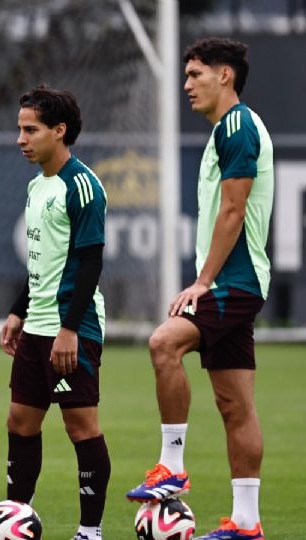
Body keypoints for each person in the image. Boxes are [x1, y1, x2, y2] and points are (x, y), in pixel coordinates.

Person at [126, 38, 272, 540]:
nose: (186, 85)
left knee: (164, 343)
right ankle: (247, 524)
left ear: (224, 76)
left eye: (195, 74)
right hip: (236, 280)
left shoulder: (238, 127)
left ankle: (171, 467)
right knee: (235, 404)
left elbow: (234, 211)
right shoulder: (222, 133)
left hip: (235, 280)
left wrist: (203, 282)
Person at [0, 85, 110, 540]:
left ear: (59, 131)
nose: (21, 139)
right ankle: (15, 521)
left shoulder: (82, 185)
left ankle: (90, 531)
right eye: (20, 129)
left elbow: (89, 261)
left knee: (79, 424)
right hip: (38, 327)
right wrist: (17, 311)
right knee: (20, 421)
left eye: (31, 130)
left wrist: (69, 330)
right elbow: (43, 259)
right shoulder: (36, 184)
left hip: (72, 328)